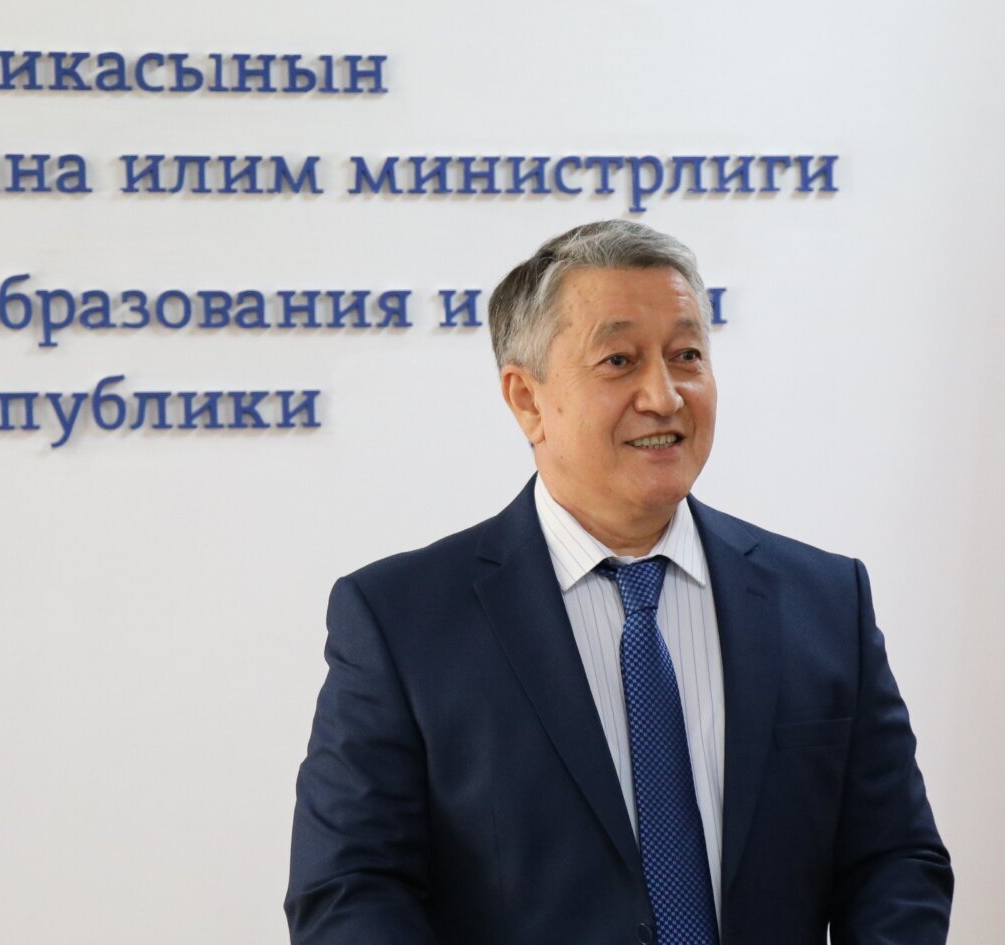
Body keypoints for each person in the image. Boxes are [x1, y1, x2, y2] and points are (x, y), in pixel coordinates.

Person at [285, 220, 953, 945]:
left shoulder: (824, 600)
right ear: (527, 399)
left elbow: (894, 861)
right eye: (619, 361)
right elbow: (349, 891)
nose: (664, 396)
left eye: (686, 355)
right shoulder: (402, 623)